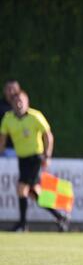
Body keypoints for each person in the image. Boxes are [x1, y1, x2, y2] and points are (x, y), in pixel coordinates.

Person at [0, 91, 69, 232]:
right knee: (33, 193)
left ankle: (22, 224)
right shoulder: (8, 119)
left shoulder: (35, 116)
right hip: (22, 159)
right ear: (12, 104)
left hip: (35, 157)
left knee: (21, 188)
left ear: (27, 102)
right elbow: (2, 139)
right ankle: (60, 216)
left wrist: (47, 155)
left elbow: (48, 135)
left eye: (21, 101)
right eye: (16, 101)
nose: (19, 103)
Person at [0, 79, 21, 157]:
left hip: (22, 149)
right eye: (9, 89)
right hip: (4, 150)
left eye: (14, 89)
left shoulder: (23, 108)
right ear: (4, 90)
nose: (11, 92)